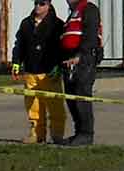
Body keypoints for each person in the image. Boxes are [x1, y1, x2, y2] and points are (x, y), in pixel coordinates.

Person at [11, 0, 67, 145]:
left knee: (55, 106)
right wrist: (16, 63)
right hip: (31, 72)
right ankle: (37, 134)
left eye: (42, 4)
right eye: (36, 3)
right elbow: (19, 45)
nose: (38, 7)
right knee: (33, 106)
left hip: (49, 73)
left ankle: (57, 134)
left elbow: (63, 49)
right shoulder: (26, 24)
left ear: (48, 5)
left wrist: (59, 66)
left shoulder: (57, 25)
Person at [57, 0, 101, 147]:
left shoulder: (89, 9)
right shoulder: (72, 14)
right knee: (71, 97)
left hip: (84, 59)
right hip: (69, 61)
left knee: (81, 95)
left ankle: (86, 134)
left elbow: (90, 34)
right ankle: (78, 133)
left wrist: (80, 55)